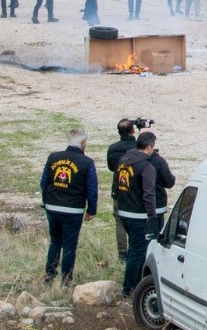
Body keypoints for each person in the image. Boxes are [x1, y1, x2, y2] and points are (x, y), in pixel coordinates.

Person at [40, 129, 98, 285]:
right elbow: (92, 189)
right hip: (73, 209)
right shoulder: (87, 163)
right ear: (82, 143)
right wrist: (92, 210)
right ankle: (66, 279)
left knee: (55, 241)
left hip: (52, 206)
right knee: (69, 245)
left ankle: (50, 275)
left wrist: (46, 202)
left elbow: (43, 183)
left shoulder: (53, 157)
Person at [113, 130, 162, 296]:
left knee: (136, 249)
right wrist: (152, 216)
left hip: (124, 212)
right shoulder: (146, 167)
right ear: (149, 147)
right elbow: (149, 194)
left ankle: (135, 283)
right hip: (139, 216)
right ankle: (129, 288)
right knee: (137, 252)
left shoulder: (123, 162)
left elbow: (116, 187)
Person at [107, 119, 139, 258]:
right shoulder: (139, 147)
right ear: (133, 130)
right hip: (136, 189)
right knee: (137, 222)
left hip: (119, 187)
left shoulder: (113, 148)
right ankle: (135, 250)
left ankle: (122, 253)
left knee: (120, 223)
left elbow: (110, 167)